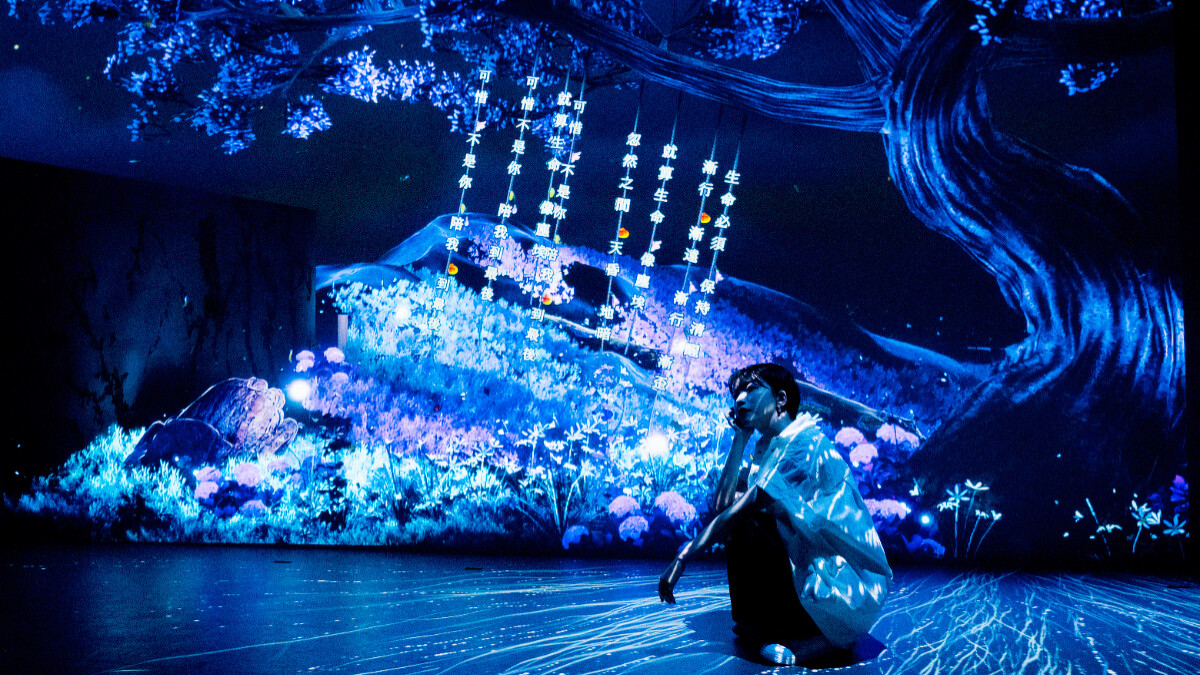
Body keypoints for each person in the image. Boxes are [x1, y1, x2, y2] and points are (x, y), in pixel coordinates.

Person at [658, 364, 892, 666]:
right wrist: (740, 439)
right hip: (807, 555)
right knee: (745, 524)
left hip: (840, 580)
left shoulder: (803, 443)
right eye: (736, 393)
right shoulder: (770, 444)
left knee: (750, 522)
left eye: (751, 389)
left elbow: (738, 511)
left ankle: (818, 638)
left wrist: (683, 557)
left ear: (781, 399)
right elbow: (723, 506)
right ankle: (764, 624)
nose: (739, 399)